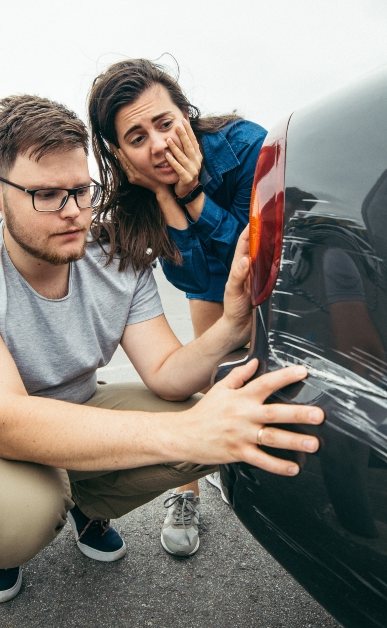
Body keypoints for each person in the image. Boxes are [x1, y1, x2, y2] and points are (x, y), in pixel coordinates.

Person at [0, 94, 323, 603]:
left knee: (217, 418)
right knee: (15, 520)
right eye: (47, 195)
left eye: (82, 190)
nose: (73, 212)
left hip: (77, 403)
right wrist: (186, 433)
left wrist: (231, 325)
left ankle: (80, 502)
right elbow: (4, 420)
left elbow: (167, 372)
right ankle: (5, 545)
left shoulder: (112, 254)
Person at [86, 59, 268, 555]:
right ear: (117, 151)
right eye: (137, 137)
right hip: (210, 287)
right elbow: (198, 279)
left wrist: (193, 194)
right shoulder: (137, 195)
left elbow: (255, 260)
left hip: (274, 279)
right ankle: (184, 490)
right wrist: (165, 197)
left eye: (165, 123)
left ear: (185, 113)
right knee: (198, 377)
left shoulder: (246, 145)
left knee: (262, 375)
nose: (159, 145)